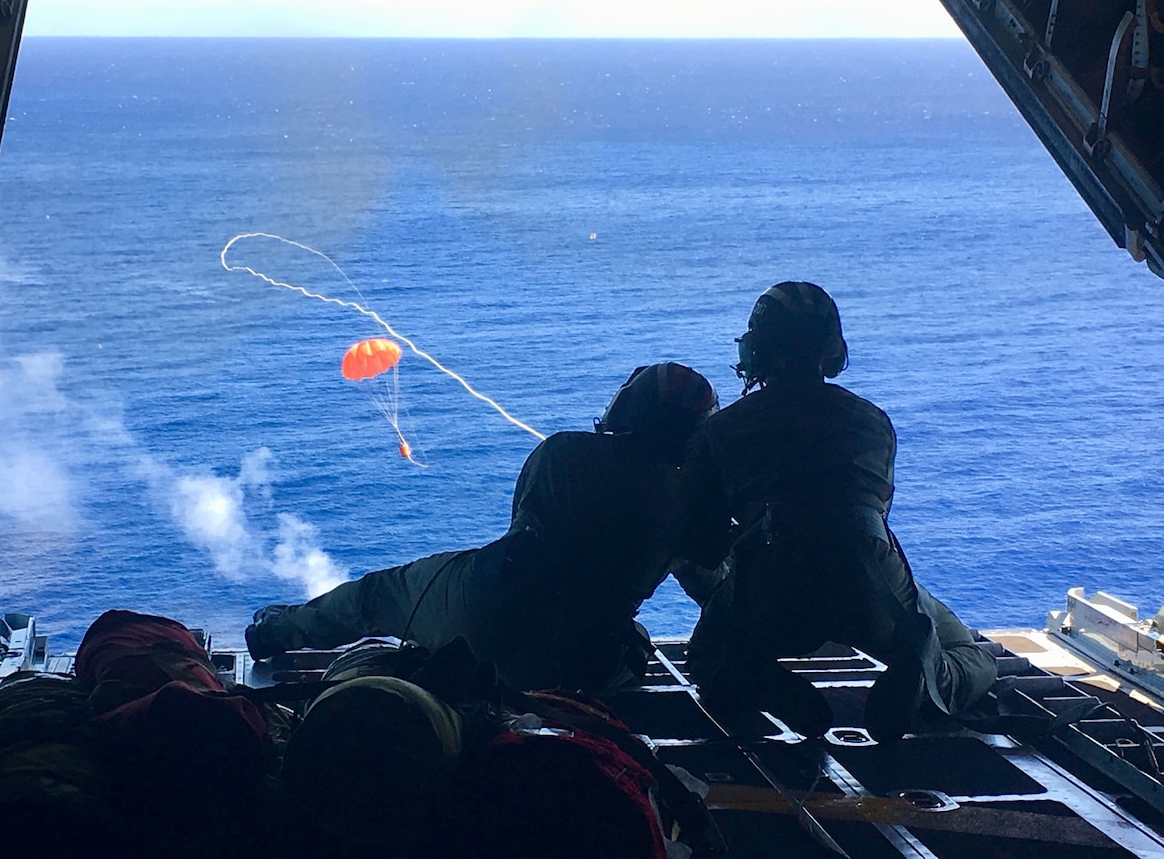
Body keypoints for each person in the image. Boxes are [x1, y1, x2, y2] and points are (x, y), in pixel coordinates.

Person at [246, 363, 721, 693]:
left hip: (487, 604)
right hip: (579, 658)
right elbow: (710, 592)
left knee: (377, 596)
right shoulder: (691, 500)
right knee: (634, 643)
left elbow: (527, 530)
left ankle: (274, 632)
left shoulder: (564, 453)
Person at [679, 282, 997, 742]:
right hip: (871, 581)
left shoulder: (724, 429)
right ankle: (930, 682)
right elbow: (867, 512)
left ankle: (768, 685)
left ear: (754, 350)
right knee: (965, 647)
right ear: (832, 351)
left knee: (709, 659)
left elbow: (697, 542)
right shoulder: (871, 420)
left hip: (770, 588)